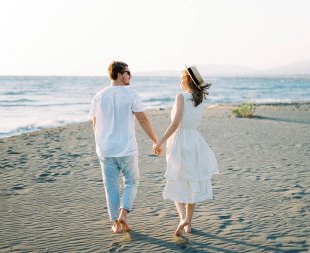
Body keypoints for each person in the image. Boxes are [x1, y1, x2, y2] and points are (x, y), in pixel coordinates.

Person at [90, 61, 161, 233]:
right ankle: (123, 213)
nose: (130, 76)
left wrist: (100, 145)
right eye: (128, 72)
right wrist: (155, 140)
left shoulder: (98, 96)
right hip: (126, 149)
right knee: (132, 181)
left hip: (106, 150)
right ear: (120, 74)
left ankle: (115, 224)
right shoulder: (131, 95)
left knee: (111, 187)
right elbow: (143, 119)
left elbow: (95, 124)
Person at [153, 65, 219, 236]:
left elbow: (175, 125)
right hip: (195, 141)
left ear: (188, 80)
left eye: (181, 78)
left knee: (177, 179)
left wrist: (159, 142)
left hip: (180, 142)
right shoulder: (201, 98)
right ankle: (188, 222)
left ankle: (183, 217)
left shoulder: (181, 96)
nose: (179, 81)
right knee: (193, 180)